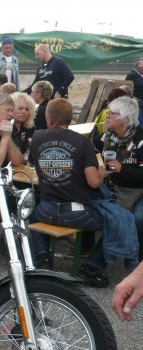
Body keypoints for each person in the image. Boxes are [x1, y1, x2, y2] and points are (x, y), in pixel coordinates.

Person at [29, 98, 118, 286]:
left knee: (31, 212)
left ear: (48, 118)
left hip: (46, 210)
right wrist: (103, 171)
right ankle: (91, 268)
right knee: (116, 223)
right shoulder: (82, 142)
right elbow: (94, 182)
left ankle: (43, 259)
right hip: (77, 213)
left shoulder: (37, 138)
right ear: (70, 119)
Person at [92, 96, 143, 262]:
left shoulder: (140, 141)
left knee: (137, 218)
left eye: (112, 113)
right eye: (108, 112)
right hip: (114, 189)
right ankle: (87, 252)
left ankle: (136, 262)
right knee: (87, 206)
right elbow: (91, 149)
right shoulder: (107, 136)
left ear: (125, 119)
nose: (107, 115)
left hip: (138, 192)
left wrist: (122, 169)